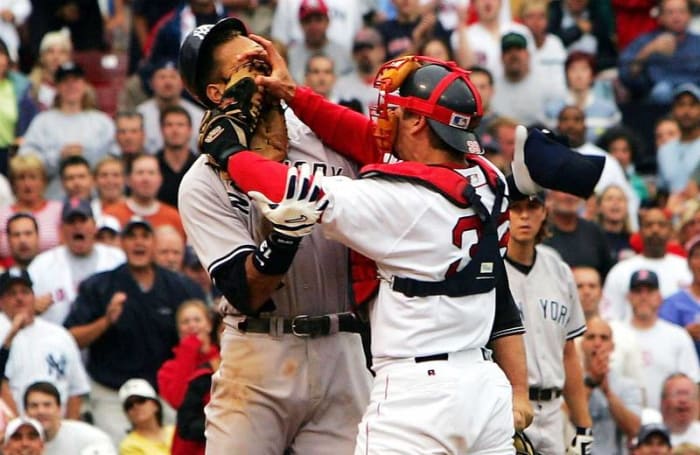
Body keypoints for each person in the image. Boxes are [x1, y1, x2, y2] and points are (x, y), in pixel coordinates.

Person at [182, 19, 606, 452]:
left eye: (397, 110)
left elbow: (295, 191)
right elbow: (370, 141)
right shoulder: (488, 176)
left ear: (418, 125)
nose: (384, 115)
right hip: (480, 384)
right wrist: (293, 92)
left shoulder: (399, 199)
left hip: (415, 393)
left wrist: (231, 153)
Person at [64, 217, 203, 444]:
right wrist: (106, 321)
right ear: (121, 243)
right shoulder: (99, 286)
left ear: (154, 243)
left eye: (144, 236)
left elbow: (207, 330)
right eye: (131, 236)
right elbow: (70, 338)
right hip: (112, 393)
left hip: (164, 392)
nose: (138, 243)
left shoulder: (180, 287)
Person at [504, 191, 593, 453]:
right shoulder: (492, 270)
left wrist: (583, 425)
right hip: (509, 409)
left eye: (532, 207)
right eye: (515, 207)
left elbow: (568, 354)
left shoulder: (558, 269)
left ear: (544, 212)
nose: (523, 215)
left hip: (554, 410)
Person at [0, 267, 90, 418]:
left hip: (56, 424)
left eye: (25, 292)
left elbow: (76, 390)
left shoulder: (59, 334)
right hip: (11, 428)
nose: (19, 298)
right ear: (1, 302)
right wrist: (19, 428)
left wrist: (67, 428)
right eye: (12, 294)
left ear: (34, 297)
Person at [18, 62, 115, 199]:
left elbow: (114, 158)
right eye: (65, 82)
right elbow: (26, 159)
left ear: (84, 85)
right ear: (57, 87)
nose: (71, 86)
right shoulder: (43, 122)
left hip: (96, 198)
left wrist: (88, 156)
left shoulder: (102, 122)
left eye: (75, 81)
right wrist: (58, 157)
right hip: (53, 197)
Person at [27, 198, 125, 325]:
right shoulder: (42, 264)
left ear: (94, 226)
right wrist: (30, 307)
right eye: (71, 222)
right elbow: (20, 304)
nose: (77, 226)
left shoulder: (116, 258)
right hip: (57, 340)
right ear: (61, 229)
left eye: (83, 221)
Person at [623, 269, 699, 410]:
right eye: (638, 291)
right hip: (623, 419)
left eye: (649, 291)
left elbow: (693, 383)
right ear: (629, 297)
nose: (643, 297)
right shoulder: (616, 333)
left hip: (668, 422)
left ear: (659, 297)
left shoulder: (678, 336)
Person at [603, 206, 692, 321]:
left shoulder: (686, 267)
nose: (655, 230)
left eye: (661, 225)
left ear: (670, 230)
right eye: (649, 225)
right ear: (640, 231)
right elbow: (610, 317)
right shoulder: (620, 270)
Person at [157, 300, 219, 455]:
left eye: (197, 320)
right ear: (179, 330)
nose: (192, 325)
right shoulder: (168, 369)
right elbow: (178, 400)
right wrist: (188, 351)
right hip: (188, 445)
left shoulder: (223, 359)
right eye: (185, 322)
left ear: (209, 325)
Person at [618, 0, 700, 104]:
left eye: (681, 12)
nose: (676, 17)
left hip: (695, 92)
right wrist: (649, 50)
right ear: (660, 17)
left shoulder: (698, 42)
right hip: (658, 97)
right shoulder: (645, 41)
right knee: (661, 91)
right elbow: (625, 75)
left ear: (690, 15)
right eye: (670, 12)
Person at [581, 316, 642, 454]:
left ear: (612, 346)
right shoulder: (570, 382)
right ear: (582, 344)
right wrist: (590, 383)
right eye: (591, 337)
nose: (597, 343)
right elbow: (567, 417)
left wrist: (607, 392)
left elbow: (634, 430)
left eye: (604, 338)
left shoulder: (628, 386)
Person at [103, 153, 185, 239]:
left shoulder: (174, 218)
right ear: (128, 180)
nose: (146, 179)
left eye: (151, 173)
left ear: (160, 179)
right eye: (140, 173)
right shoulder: (111, 215)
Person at [24, 381, 116, 455]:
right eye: (34, 406)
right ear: (25, 412)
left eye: (47, 405)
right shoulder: (16, 444)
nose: (41, 411)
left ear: (59, 409)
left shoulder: (91, 438)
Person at [0, 154, 62, 261]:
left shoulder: (59, 210)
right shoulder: (2, 214)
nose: (27, 184)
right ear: (13, 184)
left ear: (43, 181)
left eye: (33, 177)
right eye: (21, 178)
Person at [136, 59, 203, 154]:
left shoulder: (199, 116)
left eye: (173, 77)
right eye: (162, 77)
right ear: (151, 83)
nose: (168, 82)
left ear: (182, 83)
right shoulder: (139, 114)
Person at [491, 31, 557, 126]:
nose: (513, 55)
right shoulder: (492, 88)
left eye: (518, 49)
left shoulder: (546, 84)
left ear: (528, 55)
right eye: (508, 51)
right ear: (501, 57)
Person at [287, 0, 352, 84]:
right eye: (308, 20)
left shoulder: (343, 54)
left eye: (318, 20)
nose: (313, 26)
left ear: (327, 22)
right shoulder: (291, 56)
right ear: (301, 24)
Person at [660, 235, 700, 359]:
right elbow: (660, 340)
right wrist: (684, 334)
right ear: (688, 262)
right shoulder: (673, 303)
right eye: (697, 256)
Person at [657, 84, 700, 195]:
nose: (686, 111)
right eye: (681, 105)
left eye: (692, 105)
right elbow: (663, 192)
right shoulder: (664, 151)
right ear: (673, 110)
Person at [118, 379, 174, 455]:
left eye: (140, 400)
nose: (135, 406)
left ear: (155, 404)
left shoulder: (175, 431)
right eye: (129, 405)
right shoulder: (128, 446)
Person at [155, 106, 197, 209]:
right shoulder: (152, 166)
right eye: (169, 125)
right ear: (161, 130)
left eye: (180, 125)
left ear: (190, 130)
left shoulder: (201, 167)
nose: (175, 130)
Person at [661, 373, 700, 446]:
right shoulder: (648, 437)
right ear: (663, 401)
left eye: (688, 395)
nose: (683, 400)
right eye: (677, 394)